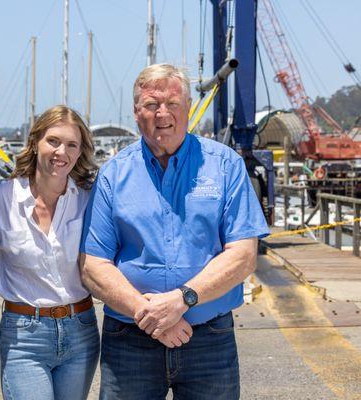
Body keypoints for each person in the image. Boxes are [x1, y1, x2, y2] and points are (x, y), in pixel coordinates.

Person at [79, 63, 269, 400]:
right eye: (151, 105)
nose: (162, 114)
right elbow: (93, 266)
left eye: (172, 104)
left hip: (209, 338)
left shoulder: (225, 166)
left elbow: (242, 255)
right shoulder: (112, 175)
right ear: (137, 113)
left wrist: (183, 299)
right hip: (130, 340)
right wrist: (150, 315)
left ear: (189, 109)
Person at [0, 105, 100, 400]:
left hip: (81, 330)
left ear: (80, 152)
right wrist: (11, 260)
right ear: (35, 143)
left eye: (72, 145)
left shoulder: (88, 200)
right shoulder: (3, 198)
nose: (62, 152)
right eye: (53, 141)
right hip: (24, 334)